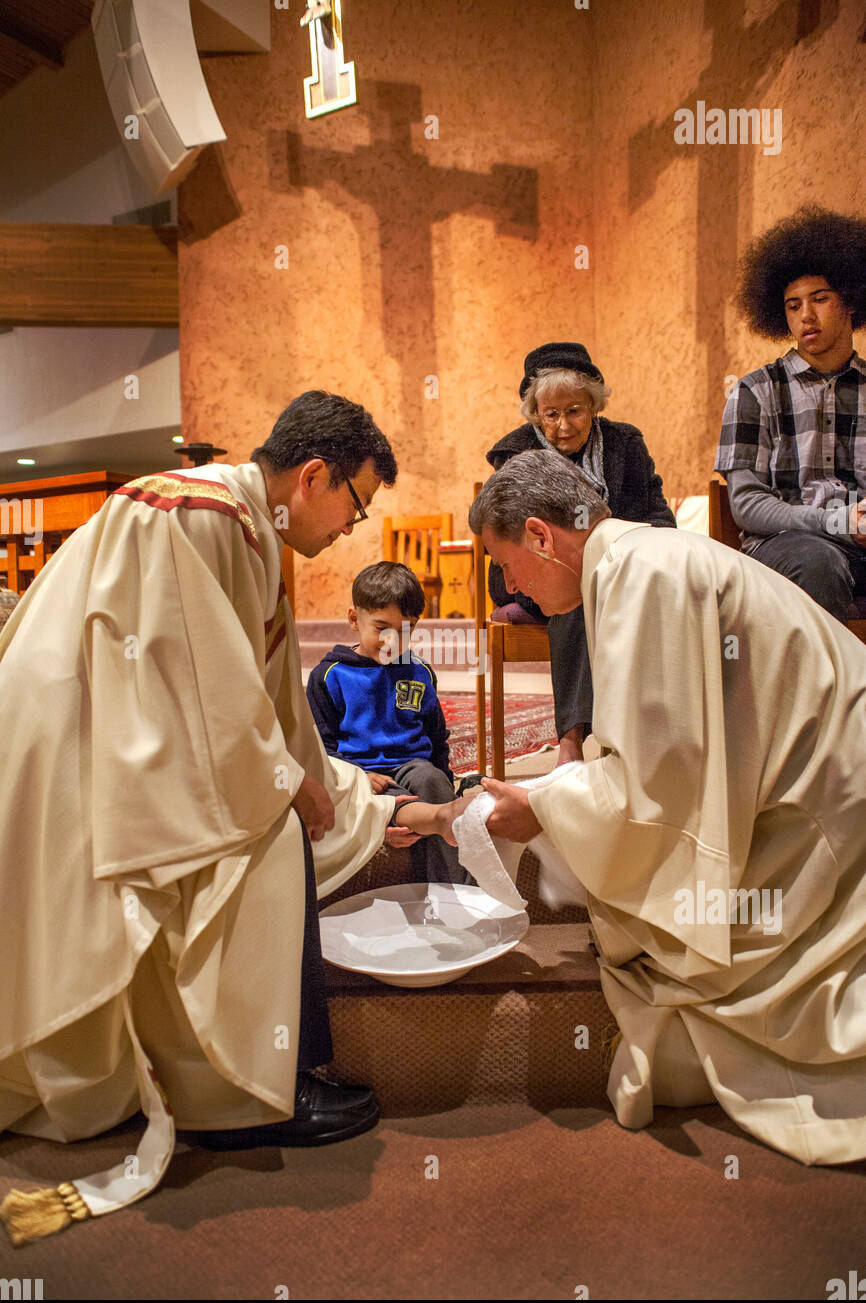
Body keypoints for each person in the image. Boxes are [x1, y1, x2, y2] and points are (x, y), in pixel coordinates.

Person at [0, 390, 456, 1245]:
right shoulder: (199, 515)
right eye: (355, 505)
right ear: (314, 475)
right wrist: (287, 784)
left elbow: (261, 703)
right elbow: (199, 699)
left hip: (108, 732)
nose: (353, 528)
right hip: (81, 741)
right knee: (263, 843)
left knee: (284, 815)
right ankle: (245, 1096)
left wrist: (360, 797)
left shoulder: (239, 526)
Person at [469, 449, 866, 1166]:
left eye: (506, 564)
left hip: (828, 802)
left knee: (699, 966)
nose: (510, 586)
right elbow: (659, 753)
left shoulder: (640, 575)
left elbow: (661, 785)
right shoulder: (634, 562)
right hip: (818, 769)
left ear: (540, 535)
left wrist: (545, 808)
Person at [486, 342, 674, 763]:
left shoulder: (625, 444)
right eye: (550, 414)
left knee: (615, 587)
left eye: (574, 410)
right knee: (573, 586)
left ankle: (639, 733)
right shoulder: (515, 453)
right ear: (536, 414)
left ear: (593, 406)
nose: (563, 425)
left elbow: (657, 513)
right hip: (534, 574)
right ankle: (571, 740)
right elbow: (518, 540)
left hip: (617, 571)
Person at [715, 205, 866, 622]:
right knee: (817, 563)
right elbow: (746, 505)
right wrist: (835, 521)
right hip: (785, 544)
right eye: (793, 305)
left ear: (851, 301)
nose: (806, 316)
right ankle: (829, 689)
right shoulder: (753, 391)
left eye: (820, 299)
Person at [306, 560, 470, 885]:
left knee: (433, 783)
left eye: (404, 630)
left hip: (413, 765)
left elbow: (436, 736)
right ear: (355, 619)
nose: (392, 641)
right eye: (382, 628)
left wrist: (444, 779)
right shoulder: (329, 676)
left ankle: (456, 893)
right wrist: (359, 776)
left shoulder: (420, 673)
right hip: (360, 775)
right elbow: (318, 748)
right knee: (397, 802)